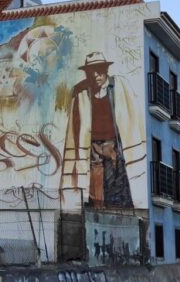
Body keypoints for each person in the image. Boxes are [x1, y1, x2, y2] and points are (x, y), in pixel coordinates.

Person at [60, 52, 145, 208]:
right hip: (92, 148)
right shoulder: (81, 92)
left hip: (114, 146)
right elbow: (75, 126)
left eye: (99, 71)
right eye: (91, 73)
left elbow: (133, 116)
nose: (96, 76)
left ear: (105, 70)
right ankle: (96, 213)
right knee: (95, 187)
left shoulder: (120, 86)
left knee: (117, 186)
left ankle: (119, 214)